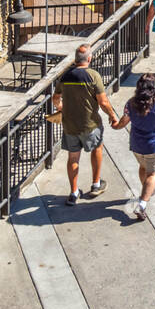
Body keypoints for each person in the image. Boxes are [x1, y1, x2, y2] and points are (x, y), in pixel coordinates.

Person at [52, 45, 118, 206]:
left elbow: (56, 97)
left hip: (69, 124)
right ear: (89, 59)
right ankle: (96, 184)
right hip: (90, 124)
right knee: (97, 149)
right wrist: (112, 115)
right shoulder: (93, 76)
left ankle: (73, 193)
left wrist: (60, 108)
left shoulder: (66, 76)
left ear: (75, 59)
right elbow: (103, 102)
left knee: (73, 157)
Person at [112, 73, 155, 221]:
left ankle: (147, 189)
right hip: (153, 145)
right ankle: (142, 204)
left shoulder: (130, 103)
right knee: (153, 174)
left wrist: (116, 126)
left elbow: (124, 121)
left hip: (136, 144)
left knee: (143, 167)